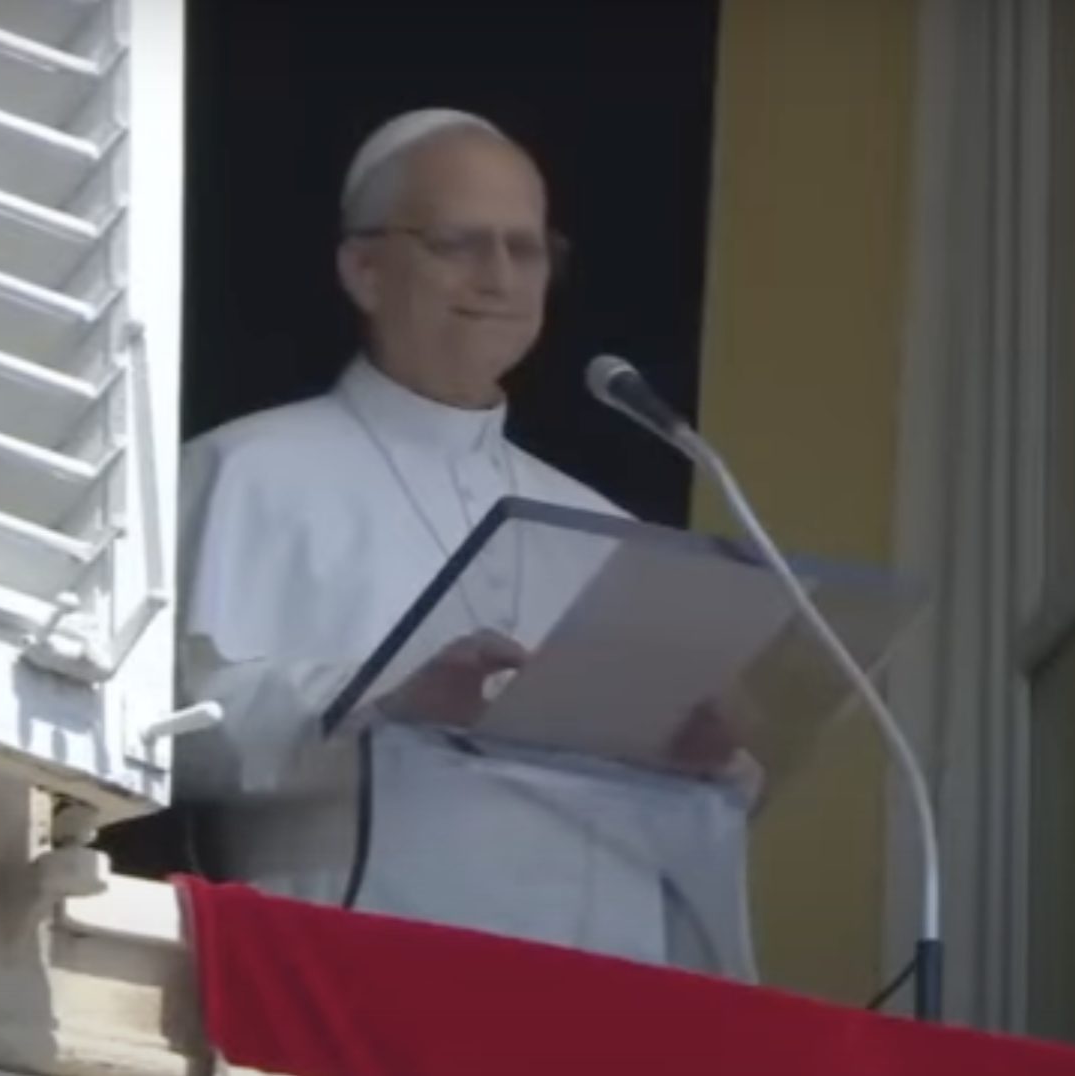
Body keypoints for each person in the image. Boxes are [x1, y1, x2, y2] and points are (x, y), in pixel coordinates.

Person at [173, 109, 758, 979]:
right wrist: (384, 704)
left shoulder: (607, 532)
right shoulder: (244, 471)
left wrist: (706, 767)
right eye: (459, 243)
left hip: (588, 986)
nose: (499, 278)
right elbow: (169, 733)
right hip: (349, 980)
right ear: (364, 269)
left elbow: (676, 818)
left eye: (527, 250)